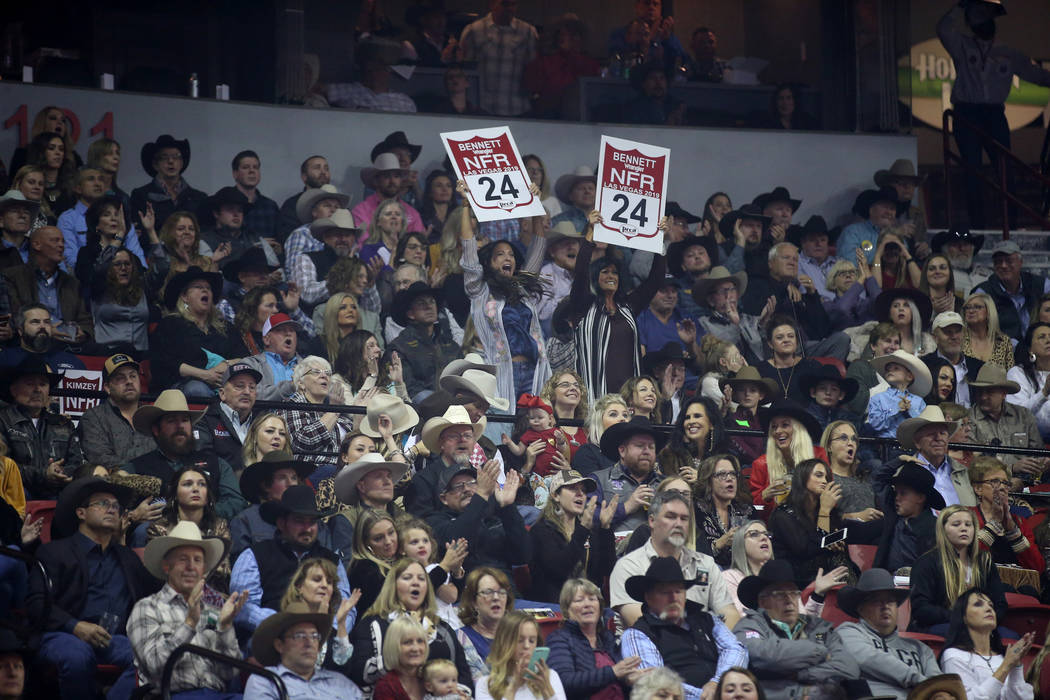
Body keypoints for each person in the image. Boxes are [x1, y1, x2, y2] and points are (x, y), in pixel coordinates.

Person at [25, 477, 157, 700]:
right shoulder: (55, 552)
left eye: (116, 506)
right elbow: (37, 604)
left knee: (153, 657)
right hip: (63, 634)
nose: (112, 510)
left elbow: (154, 593)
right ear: (81, 513)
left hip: (114, 639)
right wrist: (75, 626)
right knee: (77, 656)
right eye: (103, 504)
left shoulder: (127, 557)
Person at [937, 1, 1050, 229]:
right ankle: (977, 225)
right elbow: (943, 29)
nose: (985, 24)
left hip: (994, 114)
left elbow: (1036, 75)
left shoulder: (1008, 54)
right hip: (966, 113)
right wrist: (961, 6)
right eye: (979, 20)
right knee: (972, 170)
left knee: (1005, 169)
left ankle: (1013, 224)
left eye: (987, 19)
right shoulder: (962, 46)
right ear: (971, 25)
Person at [126, 520, 246, 696]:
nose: (191, 567)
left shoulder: (212, 611)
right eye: (183, 559)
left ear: (204, 570)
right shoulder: (146, 608)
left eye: (197, 560)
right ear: (166, 566)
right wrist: (189, 624)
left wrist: (225, 628)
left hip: (217, 694)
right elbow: (154, 667)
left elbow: (229, 673)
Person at [566, 211, 667, 400]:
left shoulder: (628, 306)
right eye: (605, 272)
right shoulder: (583, 306)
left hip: (628, 395)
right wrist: (590, 235)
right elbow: (580, 273)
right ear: (595, 278)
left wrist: (659, 241)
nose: (611, 276)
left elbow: (655, 281)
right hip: (595, 394)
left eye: (615, 273)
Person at [609, 490, 740, 630]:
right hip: (651, 648)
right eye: (671, 517)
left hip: (705, 645)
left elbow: (730, 614)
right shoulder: (628, 566)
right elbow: (639, 623)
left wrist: (712, 644)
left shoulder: (705, 564)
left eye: (684, 519)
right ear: (652, 521)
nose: (678, 524)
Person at [620, 557, 748, 700]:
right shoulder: (638, 634)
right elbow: (653, 683)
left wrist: (717, 683)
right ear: (648, 597)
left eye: (678, 591)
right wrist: (709, 696)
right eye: (664, 592)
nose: (673, 598)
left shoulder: (706, 619)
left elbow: (736, 649)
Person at [231, 484, 350, 634]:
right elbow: (243, 607)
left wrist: (323, 627)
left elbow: (345, 606)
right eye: (300, 521)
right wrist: (286, 623)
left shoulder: (331, 559)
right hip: (267, 641)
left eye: (312, 522)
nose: (307, 528)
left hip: (321, 641)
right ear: (281, 523)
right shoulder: (255, 555)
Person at [733, 559, 858, 699]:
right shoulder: (749, 625)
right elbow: (766, 655)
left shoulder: (816, 626)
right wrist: (820, 652)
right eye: (780, 594)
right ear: (763, 601)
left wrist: (802, 674)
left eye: (793, 592)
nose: (789, 600)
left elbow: (849, 667)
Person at [124, 389, 248, 521]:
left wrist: (198, 513)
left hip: (209, 531)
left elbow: (236, 502)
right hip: (157, 535)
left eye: (184, 420)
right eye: (171, 421)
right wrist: (133, 514)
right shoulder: (136, 466)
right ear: (156, 429)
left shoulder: (216, 463)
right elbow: (111, 498)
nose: (180, 426)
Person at [350, 558, 472, 692]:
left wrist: (460, 694)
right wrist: (396, 658)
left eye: (421, 578)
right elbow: (358, 672)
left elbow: (464, 675)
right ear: (393, 586)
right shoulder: (373, 624)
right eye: (407, 578)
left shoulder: (443, 628)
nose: (416, 583)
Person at [829, 568, 941, 699]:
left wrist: (939, 691)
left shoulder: (920, 648)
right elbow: (870, 659)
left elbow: (939, 684)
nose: (885, 606)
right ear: (860, 608)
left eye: (891, 601)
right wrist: (921, 682)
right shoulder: (847, 632)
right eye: (876, 600)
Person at [909, 505, 1009, 635]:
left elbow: (1000, 603)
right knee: (965, 635)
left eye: (968, 525)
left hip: (979, 624)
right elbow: (921, 609)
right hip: (940, 624)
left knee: (1010, 636)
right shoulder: (927, 562)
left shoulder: (985, 561)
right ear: (943, 530)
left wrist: (984, 618)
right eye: (956, 524)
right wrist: (962, 618)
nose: (963, 529)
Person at [740, 243, 848, 361]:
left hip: (803, 348)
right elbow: (754, 324)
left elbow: (822, 331)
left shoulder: (797, 292)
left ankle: (823, 378)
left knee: (842, 340)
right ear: (770, 263)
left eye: (795, 260)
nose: (792, 262)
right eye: (786, 258)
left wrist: (812, 295)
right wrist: (784, 286)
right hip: (772, 348)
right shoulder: (757, 285)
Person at [427, 462, 531, 578]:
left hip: (504, 588)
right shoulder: (435, 522)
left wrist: (507, 507)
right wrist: (481, 494)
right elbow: (458, 539)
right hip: (466, 590)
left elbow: (523, 555)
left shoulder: (493, 517)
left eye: (472, 483)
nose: (466, 489)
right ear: (444, 498)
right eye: (458, 486)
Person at [547, 577, 644, 700]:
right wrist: (613, 672)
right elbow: (563, 682)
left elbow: (618, 678)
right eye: (579, 600)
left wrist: (630, 680)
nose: (587, 604)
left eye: (592, 599)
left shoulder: (607, 637)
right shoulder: (558, 639)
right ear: (567, 610)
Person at [767, 458, 858, 589]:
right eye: (819, 475)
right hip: (798, 576)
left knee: (840, 557)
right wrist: (824, 511)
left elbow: (825, 544)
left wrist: (836, 545)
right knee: (836, 561)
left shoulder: (830, 512)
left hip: (825, 571)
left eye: (826, 477)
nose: (825, 481)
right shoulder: (783, 514)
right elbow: (805, 550)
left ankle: (852, 595)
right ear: (802, 478)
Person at [528, 470, 616, 604]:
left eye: (583, 490)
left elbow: (606, 570)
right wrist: (583, 529)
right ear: (556, 496)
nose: (580, 493)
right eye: (572, 488)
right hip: (554, 606)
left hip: (588, 604)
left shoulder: (588, 531)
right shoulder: (541, 531)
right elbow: (559, 570)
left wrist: (605, 529)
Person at [0, 356, 82, 499]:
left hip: (60, 491)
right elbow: (3, 466)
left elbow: (76, 463)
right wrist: (43, 475)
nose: (38, 389)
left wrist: (61, 473)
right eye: (30, 383)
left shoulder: (63, 423)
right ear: (13, 390)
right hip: (16, 492)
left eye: (43, 384)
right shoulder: (2, 420)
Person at [148, 266, 238, 396]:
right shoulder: (170, 325)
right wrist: (205, 375)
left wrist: (226, 364)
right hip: (182, 386)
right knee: (197, 389)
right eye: (198, 286)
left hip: (224, 384)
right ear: (184, 296)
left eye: (208, 288)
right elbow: (165, 363)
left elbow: (244, 357)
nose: (205, 290)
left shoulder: (226, 327)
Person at [245, 601, 363, 699]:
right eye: (300, 636)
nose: (309, 643)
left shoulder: (341, 683)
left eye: (314, 636)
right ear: (279, 645)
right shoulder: (265, 682)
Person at [145, 464, 234, 592]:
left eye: (202, 484)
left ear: (208, 494)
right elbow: (162, 574)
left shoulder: (219, 525)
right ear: (175, 493)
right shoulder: (159, 528)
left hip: (212, 597)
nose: (195, 489)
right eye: (187, 484)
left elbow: (224, 571)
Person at [3, 226, 93, 346]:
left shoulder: (72, 283)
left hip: (67, 344)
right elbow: (14, 317)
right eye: (55, 240)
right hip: (28, 344)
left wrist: (84, 332)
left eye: (63, 241)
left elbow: (85, 320)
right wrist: (47, 330)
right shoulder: (13, 277)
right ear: (36, 245)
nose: (61, 245)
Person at [940, 587, 1036, 700]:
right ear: (963, 617)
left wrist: (1016, 665)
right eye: (978, 604)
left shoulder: (1001, 657)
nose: (988, 609)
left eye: (991, 605)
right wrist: (1005, 667)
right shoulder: (954, 656)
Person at [874, 404, 977, 509]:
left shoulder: (964, 472)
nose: (938, 438)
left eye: (943, 433)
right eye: (931, 434)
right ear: (917, 442)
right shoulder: (902, 473)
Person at [457, 0, 537, 117]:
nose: (510, 8)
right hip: (482, 109)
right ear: (492, 4)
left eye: (513, 4)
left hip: (518, 107)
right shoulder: (473, 30)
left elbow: (534, 69)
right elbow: (465, 70)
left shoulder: (528, 32)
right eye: (505, 4)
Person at [281, 558, 361, 673]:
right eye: (317, 580)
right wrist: (321, 618)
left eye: (329, 582)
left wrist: (341, 623)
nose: (324, 585)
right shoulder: (288, 623)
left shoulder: (332, 629)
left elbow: (343, 665)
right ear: (299, 586)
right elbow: (309, 666)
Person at [231, 447, 312, 560]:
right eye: (282, 478)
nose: (291, 484)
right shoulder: (245, 521)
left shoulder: (311, 520)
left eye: (294, 478)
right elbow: (242, 567)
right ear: (266, 486)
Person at [968, 364, 1045, 481]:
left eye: (989, 392)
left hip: (1026, 483)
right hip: (987, 484)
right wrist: (1012, 468)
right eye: (980, 391)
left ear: (1004, 394)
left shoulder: (1023, 416)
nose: (983, 397)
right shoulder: (969, 419)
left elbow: (1039, 452)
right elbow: (972, 463)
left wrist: (1042, 462)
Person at [78, 354, 156, 468]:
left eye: (133, 376)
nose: (129, 381)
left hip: (157, 482)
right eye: (120, 378)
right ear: (107, 388)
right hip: (114, 483)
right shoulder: (93, 418)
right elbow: (101, 460)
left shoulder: (152, 415)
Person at [279, 355, 355, 472]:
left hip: (342, 472)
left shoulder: (334, 414)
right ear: (301, 383)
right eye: (316, 372)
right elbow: (305, 440)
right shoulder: (292, 406)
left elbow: (355, 441)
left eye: (327, 373)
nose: (324, 376)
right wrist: (334, 411)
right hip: (310, 473)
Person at [590, 417, 666, 533]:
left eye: (651, 447)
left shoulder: (665, 484)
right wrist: (627, 507)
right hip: (613, 548)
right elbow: (588, 519)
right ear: (622, 451)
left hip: (658, 548)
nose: (646, 451)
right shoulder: (599, 480)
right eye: (640, 446)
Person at [747, 399, 826, 510]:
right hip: (776, 523)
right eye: (774, 427)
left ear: (798, 429)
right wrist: (764, 497)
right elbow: (754, 510)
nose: (778, 431)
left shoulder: (818, 456)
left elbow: (829, 498)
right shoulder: (761, 464)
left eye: (785, 425)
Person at [969, 456, 1043, 571]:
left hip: (1016, 586)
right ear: (978, 488)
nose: (1002, 487)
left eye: (1005, 483)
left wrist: (1013, 530)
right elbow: (967, 558)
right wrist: (994, 524)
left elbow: (1037, 567)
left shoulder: (1019, 521)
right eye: (994, 482)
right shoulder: (966, 516)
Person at [476, 610, 566, 700]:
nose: (527, 646)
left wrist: (547, 690)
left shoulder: (550, 677)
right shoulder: (485, 685)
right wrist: (514, 687)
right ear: (504, 642)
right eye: (520, 640)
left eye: (532, 641)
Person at [129, 135, 208, 234]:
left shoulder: (199, 198)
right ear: (155, 164)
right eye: (164, 157)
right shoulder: (141, 195)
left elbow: (204, 232)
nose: (171, 161)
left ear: (182, 163)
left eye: (176, 157)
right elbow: (138, 232)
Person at [874, 463, 944, 573]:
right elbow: (879, 480)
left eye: (903, 493)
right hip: (886, 583)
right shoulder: (892, 519)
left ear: (920, 498)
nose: (897, 498)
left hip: (918, 585)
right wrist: (899, 460)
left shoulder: (934, 528)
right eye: (896, 493)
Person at [974, 241, 1050, 340]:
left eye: (1009, 260)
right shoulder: (983, 293)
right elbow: (976, 329)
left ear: (1020, 262)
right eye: (998, 261)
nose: (1004, 265)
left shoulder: (1041, 284)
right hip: (1004, 350)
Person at [195, 362, 261, 474]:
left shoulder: (262, 422)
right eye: (240, 386)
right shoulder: (205, 422)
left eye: (252, 387)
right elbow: (204, 464)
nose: (247, 392)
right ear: (222, 394)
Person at [693, 455, 757, 568]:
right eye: (722, 475)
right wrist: (719, 543)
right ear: (708, 480)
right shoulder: (696, 511)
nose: (730, 478)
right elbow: (693, 552)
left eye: (733, 474)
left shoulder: (747, 510)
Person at [145, 210, 222, 303]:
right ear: (170, 233)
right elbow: (161, 295)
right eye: (181, 229)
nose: (187, 232)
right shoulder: (163, 261)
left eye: (191, 229)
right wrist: (151, 231)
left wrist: (215, 264)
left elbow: (215, 297)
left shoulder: (206, 261)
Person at [457, 567, 516, 682]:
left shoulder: (518, 635)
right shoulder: (461, 639)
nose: (496, 598)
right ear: (473, 602)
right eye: (488, 592)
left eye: (501, 592)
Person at [820, 421, 880, 524]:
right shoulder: (825, 481)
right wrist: (855, 516)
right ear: (829, 446)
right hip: (845, 538)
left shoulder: (865, 477)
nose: (850, 443)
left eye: (854, 439)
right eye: (843, 438)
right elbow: (819, 520)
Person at [923, 310, 984, 408]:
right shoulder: (924, 366)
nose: (954, 336)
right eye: (948, 332)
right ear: (935, 338)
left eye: (958, 331)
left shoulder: (979, 368)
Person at [754, 319, 822, 404]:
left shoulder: (812, 366)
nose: (786, 340)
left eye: (791, 336)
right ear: (770, 344)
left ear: (796, 341)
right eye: (779, 337)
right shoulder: (759, 370)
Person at [866, 349, 931, 438]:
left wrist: (909, 411)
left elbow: (923, 428)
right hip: (886, 447)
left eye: (896, 368)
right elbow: (874, 425)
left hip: (912, 448)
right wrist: (896, 409)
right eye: (887, 369)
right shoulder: (877, 398)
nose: (890, 371)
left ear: (909, 376)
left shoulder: (918, 401)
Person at [0, 303, 84, 371]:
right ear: (20, 330)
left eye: (47, 322)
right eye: (35, 322)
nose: (42, 326)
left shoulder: (71, 361)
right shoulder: (4, 359)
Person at [722, 368, 778, 467]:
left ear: (761, 395)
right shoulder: (730, 418)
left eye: (752, 390)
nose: (747, 394)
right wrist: (724, 410)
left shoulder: (770, 419)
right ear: (735, 394)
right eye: (742, 390)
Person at [845, 321, 902, 416]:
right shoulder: (859, 367)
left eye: (896, 343)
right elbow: (858, 405)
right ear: (873, 346)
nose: (892, 346)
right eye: (887, 341)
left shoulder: (903, 371)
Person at [838, 187, 901, 265]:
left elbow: (906, 263)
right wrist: (879, 257)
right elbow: (849, 263)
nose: (889, 212)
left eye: (892, 208)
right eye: (885, 207)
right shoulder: (853, 232)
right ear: (871, 209)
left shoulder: (898, 236)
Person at [1008, 322, 1050, 441]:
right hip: (1027, 444)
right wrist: (1044, 393)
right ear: (1030, 349)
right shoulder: (1017, 373)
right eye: (1042, 337)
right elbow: (1017, 415)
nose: (1048, 340)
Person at [373, 616, 431, 700]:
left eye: (420, 641)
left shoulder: (433, 677)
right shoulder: (386, 686)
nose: (416, 648)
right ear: (393, 646)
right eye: (407, 642)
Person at [278, 155, 334, 240]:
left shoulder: (339, 204)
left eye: (326, 168)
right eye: (317, 168)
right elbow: (288, 239)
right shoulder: (292, 205)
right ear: (304, 177)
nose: (323, 172)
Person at [572, 394, 629, 476]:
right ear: (599, 421)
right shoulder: (587, 452)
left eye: (625, 415)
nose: (623, 418)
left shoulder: (633, 454)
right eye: (613, 414)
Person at [231, 150, 280, 241]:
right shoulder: (226, 204)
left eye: (256, 167)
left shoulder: (270, 206)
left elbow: (278, 238)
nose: (252, 171)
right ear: (235, 174)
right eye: (245, 167)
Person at [823, 257, 880, 331]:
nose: (848, 275)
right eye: (842, 273)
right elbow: (842, 309)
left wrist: (866, 271)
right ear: (833, 283)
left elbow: (879, 302)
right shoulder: (828, 306)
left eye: (852, 272)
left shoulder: (865, 304)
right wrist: (858, 283)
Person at [799, 364, 861, 431]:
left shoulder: (851, 420)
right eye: (822, 388)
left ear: (841, 395)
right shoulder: (802, 418)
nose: (828, 393)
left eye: (834, 389)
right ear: (813, 393)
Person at [962, 292, 1014, 369]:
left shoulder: (1003, 342)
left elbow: (1010, 374)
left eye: (977, 307)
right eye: (968, 307)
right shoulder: (959, 338)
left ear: (989, 311)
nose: (971, 311)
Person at [933, 227, 990, 296]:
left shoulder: (988, 275)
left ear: (972, 249)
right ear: (945, 250)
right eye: (955, 245)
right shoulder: (938, 275)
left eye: (966, 244)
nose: (962, 248)